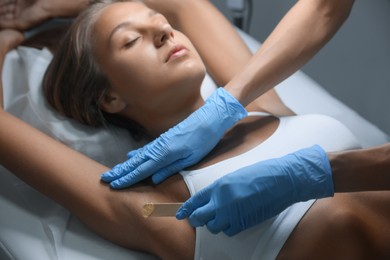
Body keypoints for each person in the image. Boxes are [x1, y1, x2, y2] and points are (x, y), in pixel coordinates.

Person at [0, 0, 389, 259]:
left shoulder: (258, 106)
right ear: (110, 98)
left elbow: (182, 4)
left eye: (161, 24)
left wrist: (51, 5)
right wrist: (6, 40)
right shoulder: (159, 206)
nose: (164, 32)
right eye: (132, 39)